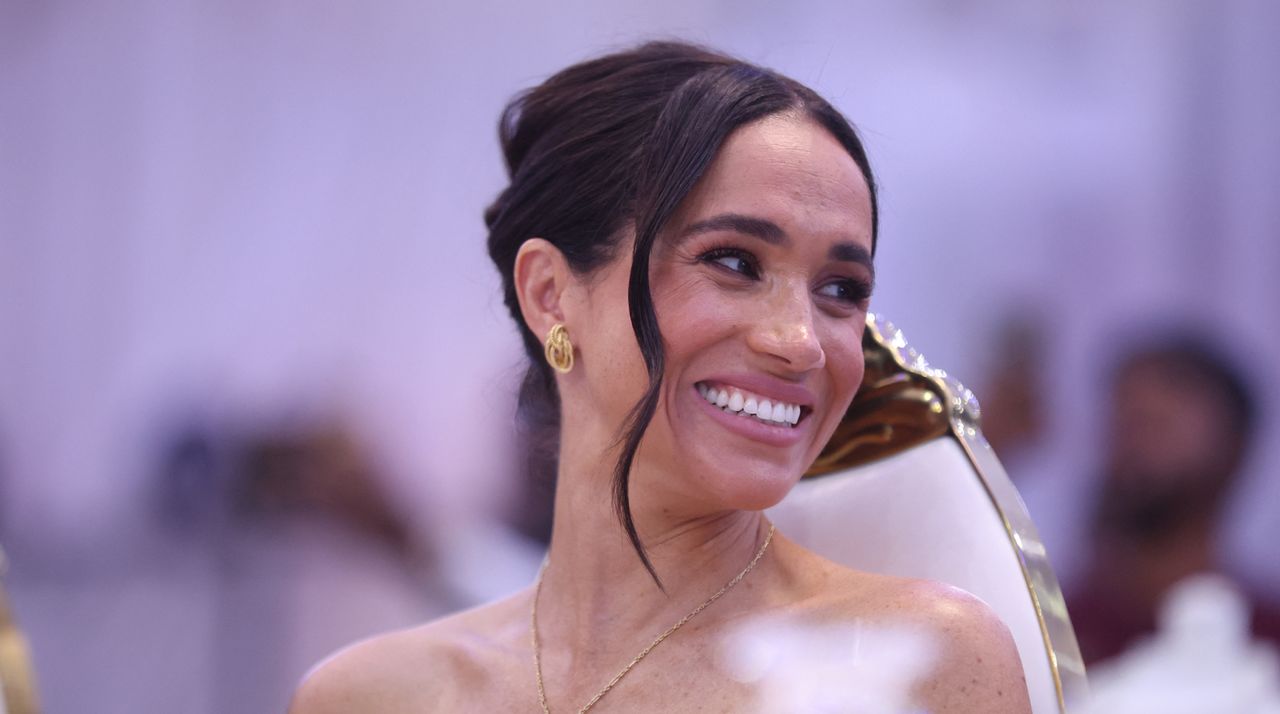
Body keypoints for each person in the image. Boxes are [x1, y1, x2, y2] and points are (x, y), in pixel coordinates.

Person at [290, 41, 1029, 713]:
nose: (801, 342)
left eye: (841, 289)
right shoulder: (367, 697)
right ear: (550, 293)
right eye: (735, 262)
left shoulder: (921, 664)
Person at [1068, 334, 1279, 665]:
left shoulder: (1267, 639)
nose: (1136, 451)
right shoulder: (1063, 630)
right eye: (1126, 426)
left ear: (1235, 449)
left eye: (1159, 427)